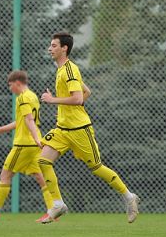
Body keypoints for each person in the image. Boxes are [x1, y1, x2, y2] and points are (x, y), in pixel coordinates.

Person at [37, 32, 139, 224]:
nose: (50, 49)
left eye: (53, 46)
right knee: (43, 161)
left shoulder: (69, 70)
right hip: (62, 129)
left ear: (64, 48)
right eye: (50, 45)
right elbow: (87, 92)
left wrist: (53, 100)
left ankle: (129, 196)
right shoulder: (61, 69)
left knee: (96, 167)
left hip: (79, 130)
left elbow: (77, 98)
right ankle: (58, 204)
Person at [0, 70, 53, 222]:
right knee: (40, 176)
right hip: (34, 145)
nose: (10, 89)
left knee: (5, 175)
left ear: (18, 83)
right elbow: (22, 121)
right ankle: (52, 210)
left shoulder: (23, 98)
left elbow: (29, 120)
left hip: (23, 144)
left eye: (11, 85)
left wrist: (37, 138)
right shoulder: (33, 96)